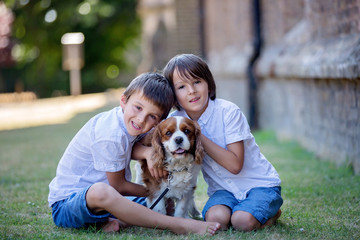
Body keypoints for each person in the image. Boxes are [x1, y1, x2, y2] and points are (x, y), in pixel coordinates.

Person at [48, 72, 220, 235]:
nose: (141, 119)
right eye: (138, 107)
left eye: (152, 116)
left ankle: (113, 221)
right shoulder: (111, 134)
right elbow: (118, 186)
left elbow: (132, 147)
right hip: (68, 205)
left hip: (107, 204)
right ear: (123, 100)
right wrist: (157, 191)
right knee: (102, 191)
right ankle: (179, 225)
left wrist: (146, 152)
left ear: (159, 122)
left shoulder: (130, 125)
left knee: (165, 205)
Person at [160, 53, 283, 231]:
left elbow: (235, 165)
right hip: (223, 191)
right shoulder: (175, 121)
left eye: (197, 82)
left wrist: (197, 134)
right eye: (181, 87)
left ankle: (272, 213)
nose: (191, 91)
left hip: (258, 185)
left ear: (208, 83)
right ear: (173, 94)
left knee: (242, 222)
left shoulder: (228, 112)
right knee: (216, 220)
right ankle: (246, 211)